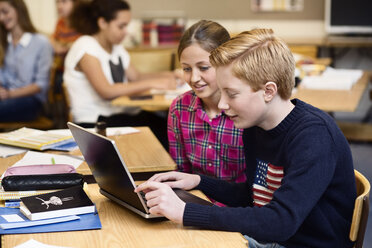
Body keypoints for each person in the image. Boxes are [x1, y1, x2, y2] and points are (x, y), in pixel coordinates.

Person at [136, 29, 356, 248]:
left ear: (268, 91)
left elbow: (280, 222)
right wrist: (199, 181)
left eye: (231, 94)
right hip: (272, 239)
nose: (222, 104)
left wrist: (186, 212)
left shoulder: (313, 136)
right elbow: (255, 194)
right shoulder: (255, 124)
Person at [64, 0, 179, 148]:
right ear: (102, 23)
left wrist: (172, 75)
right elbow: (106, 91)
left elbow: (136, 77)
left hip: (120, 114)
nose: (126, 31)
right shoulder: (85, 45)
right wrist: (153, 83)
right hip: (95, 121)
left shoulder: (116, 47)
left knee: (167, 124)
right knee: (163, 130)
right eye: (121, 26)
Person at [168, 20, 246, 195]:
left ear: (227, 62)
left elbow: (255, 184)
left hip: (240, 208)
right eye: (186, 69)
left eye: (203, 68)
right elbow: (181, 172)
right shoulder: (179, 108)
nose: (194, 78)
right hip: (196, 202)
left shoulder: (246, 110)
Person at [0, 0, 53, 122]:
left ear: (19, 10)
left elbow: (41, 85)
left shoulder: (41, 43)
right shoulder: (3, 43)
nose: (1, 18)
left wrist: (9, 94)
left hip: (31, 101)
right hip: (6, 98)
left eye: (5, 12)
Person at [50, 0, 81, 95]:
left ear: (75, 3)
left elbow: (81, 44)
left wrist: (63, 45)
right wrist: (56, 46)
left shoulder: (81, 23)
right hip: (62, 67)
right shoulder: (61, 22)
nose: (59, 6)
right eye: (57, 2)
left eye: (64, 2)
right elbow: (52, 38)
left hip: (77, 70)